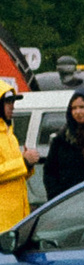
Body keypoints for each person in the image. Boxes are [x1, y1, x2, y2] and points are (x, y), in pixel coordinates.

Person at [0, 85, 27, 235]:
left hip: (17, 218)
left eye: (14, 102)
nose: (12, 107)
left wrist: (28, 167)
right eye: (8, 102)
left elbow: (15, 175)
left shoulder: (10, 135)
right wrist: (24, 163)